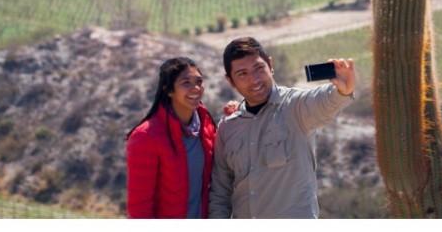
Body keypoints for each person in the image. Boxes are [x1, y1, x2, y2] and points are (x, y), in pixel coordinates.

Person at [209, 37, 356, 219]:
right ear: (230, 81)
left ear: (270, 65)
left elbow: (323, 102)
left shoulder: (295, 107)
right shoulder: (227, 128)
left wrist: (343, 91)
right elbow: (220, 195)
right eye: (242, 74)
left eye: (258, 69)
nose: (254, 80)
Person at [126, 57, 216, 218]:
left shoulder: (207, 126)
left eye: (199, 81)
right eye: (186, 83)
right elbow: (140, 207)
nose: (196, 88)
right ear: (168, 90)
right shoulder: (146, 136)